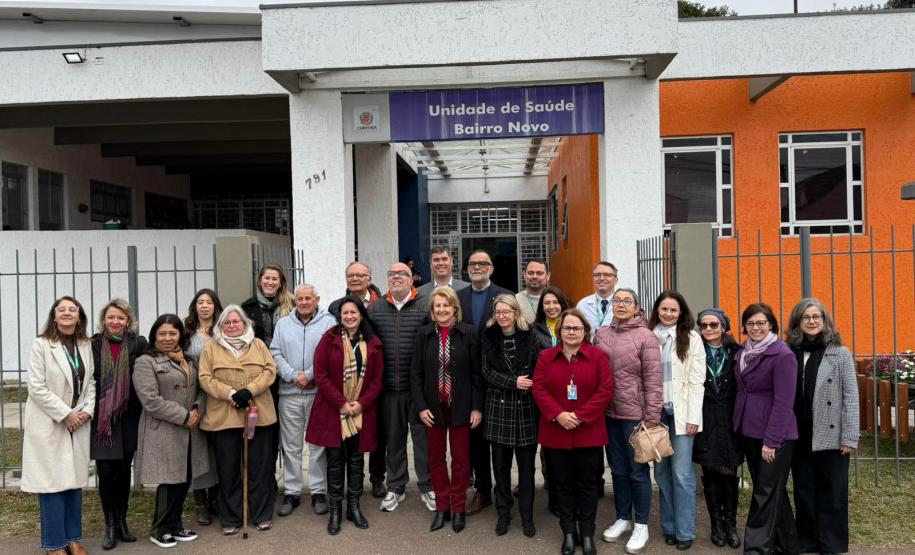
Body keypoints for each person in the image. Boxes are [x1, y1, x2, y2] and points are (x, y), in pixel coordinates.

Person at [533, 308, 613, 555]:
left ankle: (587, 533)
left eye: (576, 328)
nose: (571, 332)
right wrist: (558, 414)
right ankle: (569, 532)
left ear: (585, 331)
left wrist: (579, 416)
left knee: (588, 485)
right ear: (559, 331)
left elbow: (605, 390)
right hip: (556, 431)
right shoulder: (546, 357)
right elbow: (539, 388)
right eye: (566, 328)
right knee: (562, 485)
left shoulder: (598, 357)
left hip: (588, 432)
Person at [21, 296, 95, 555]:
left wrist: (87, 411)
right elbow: (36, 387)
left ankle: (73, 539)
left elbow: (91, 383)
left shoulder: (85, 344)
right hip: (50, 422)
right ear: (54, 316)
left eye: (72, 309)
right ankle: (54, 546)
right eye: (61, 309)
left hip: (78, 422)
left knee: (74, 483)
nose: (66, 313)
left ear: (79, 316)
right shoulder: (42, 344)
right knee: (51, 485)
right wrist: (66, 414)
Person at [786, 298, 859, 555]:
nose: (812, 321)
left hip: (831, 432)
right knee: (804, 488)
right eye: (806, 317)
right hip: (799, 432)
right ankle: (807, 540)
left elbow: (850, 396)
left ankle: (831, 543)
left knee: (832, 489)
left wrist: (849, 436)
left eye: (817, 317)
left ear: (825, 321)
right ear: (798, 322)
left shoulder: (840, 353)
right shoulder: (790, 352)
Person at [306, 295, 383, 535]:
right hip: (334, 411)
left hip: (361, 411)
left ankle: (354, 507)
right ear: (340, 316)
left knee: (357, 460)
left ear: (361, 315)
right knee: (336, 460)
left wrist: (360, 404)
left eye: (353, 312)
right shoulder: (328, 340)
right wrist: (342, 403)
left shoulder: (373, 342)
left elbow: (378, 380)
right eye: (345, 313)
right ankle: (335, 510)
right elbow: (320, 375)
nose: (349, 317)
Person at [198, 305, 278, 534]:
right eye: (227, 323)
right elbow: (204, 377)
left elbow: (269, 371)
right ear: (220, 326)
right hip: (224, 416)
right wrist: (231, 394)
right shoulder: (211, 348)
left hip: (258, 413)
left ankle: (261, 513)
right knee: (228, 468)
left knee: (259, 467)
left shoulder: (259, 345)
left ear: (245, 323)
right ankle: (231, 517)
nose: (232, 326)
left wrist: (249, 391)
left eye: (236, 321)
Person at [594, 287, 662, 554]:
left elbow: (653, 380)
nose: (621, 304)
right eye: (617, 300)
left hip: (635, 416)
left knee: (638, 471)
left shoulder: (646, 336)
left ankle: (642, 524)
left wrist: (652, 416)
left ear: (636, 307)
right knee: (618, 470)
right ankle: (623, 517)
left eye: (627, 301)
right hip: (608, 414)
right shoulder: (601, 334)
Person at [411, 287, 483, 534]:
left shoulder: (469, 333)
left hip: (461, 406)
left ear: (454, 308)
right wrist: (421, 407)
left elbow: (476, 375)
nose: (441, 310)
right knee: (436, 459)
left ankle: (458, 507)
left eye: (446, 305)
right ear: (432, 311)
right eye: (437, 306)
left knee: (462, 460)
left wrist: (476, 407)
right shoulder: (423, 335)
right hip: (433, 408)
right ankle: (442, 507)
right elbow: (416, 374)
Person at [133, 314, 208, 548]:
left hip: (189, 429)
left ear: (180, 335)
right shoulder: (146, 362)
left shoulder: (190, 360)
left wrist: (196, 409)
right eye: (162, 333)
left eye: (172, 333)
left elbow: (200, 390)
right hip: (163, 429)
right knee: (168, 481)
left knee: (184, 478)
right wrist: (184, 416)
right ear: (154, 335)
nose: (167, 338)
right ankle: (160, 528)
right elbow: (150, 400)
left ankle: (175, 525)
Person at [367, 262, 435, 512]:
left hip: (419, 390)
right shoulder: (375, 308)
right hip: (389, 389)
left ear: (411, 279)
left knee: (423, 441)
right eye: (391, 274)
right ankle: (396, 487)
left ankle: (428, 486)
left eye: (401, 274)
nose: (396, 278)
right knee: (394, 441)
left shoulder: (426, 305)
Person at [733, 303, 799, 554]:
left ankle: (757, 549)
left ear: (771, 324)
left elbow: (784, 402)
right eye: (750, 323)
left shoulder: (782, 355)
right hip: (749, 431)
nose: (756, 327)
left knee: (765, 492)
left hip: (775, 436)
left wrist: (772, 441)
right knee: (772, 491)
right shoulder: (743, 352)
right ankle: (789, 544)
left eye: (761, 322)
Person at [271, 284, 336, 517]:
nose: (305, 302)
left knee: (318, 446)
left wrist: (309, 375)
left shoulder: (329, 323)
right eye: (300, 298)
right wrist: (292, 376)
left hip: (318, 394)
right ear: (294, 300)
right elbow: (275, 352)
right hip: (289, 394)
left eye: (309, 298)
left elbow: (331, 353)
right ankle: (292, 492)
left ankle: (319, 491)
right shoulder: (283, 323)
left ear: (317, 299)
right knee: (291, 446)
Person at [647, 291, 706, 550]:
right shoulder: (648, 336)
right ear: (657, 311)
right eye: (664, 309)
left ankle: (685, 530)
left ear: (681, 312)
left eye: (673, 309)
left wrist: (693, 417)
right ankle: (668, 527)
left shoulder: (692, 338)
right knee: (661, 472)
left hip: (682, 415)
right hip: (655, 414)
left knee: (681, 473)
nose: (668, 313)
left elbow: (697, 381)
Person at [456, 249, 513, 515]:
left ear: (491, 268)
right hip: (468, 377)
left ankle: (503, 490)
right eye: (472, 264)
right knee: (475, 439)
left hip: (498, 376)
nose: (477, 267)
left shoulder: (505, 296)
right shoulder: (459, 297)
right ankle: (482, 490)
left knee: (501, 441)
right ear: (467, 269)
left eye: (482, 264)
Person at [90, 299, 148, 550]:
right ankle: (110, 525)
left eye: (120, 318)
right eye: (111, 317)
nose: (115, 322)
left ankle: (123, 522)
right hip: (103, 419)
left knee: (124, 471)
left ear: (128, 321)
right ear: (104, 319)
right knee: (106, 473)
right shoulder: (92, 345)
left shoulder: (139, 344)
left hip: (128, 415)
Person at [482, 294, 542, 538]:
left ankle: (527, 516)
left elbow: (538, 372)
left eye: (507, 312)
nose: (502, 316)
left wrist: (523, 384)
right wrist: (513, 381)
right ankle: (504, 513)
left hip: (526, 410)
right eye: (498, 312)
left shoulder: (531, 337)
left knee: (527, 470)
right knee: (501, 468)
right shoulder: (488, 337)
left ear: (516, 313)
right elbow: (486, 372)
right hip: (498, 409)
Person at [326, 262, 384, 498]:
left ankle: (377, 477)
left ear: (369, 278)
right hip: (347, 382)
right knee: (348, 438)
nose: (356, 279)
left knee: (377, 433)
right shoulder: (336, 307)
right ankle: (349, 486)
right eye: (351, 275)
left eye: (361, 275)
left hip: (374, 376)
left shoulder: (382, 304)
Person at [693, 308, 743, 549]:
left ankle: (730, 524)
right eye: (704, 326)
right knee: (711, 473)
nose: (709, 329)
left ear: (724, 326)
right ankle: (716, 525)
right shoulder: (694, 352)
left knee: (729, 473)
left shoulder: (738, 352)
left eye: (714, 325)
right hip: (705, 419)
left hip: (731, 419)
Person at [241, 264, 295, 474]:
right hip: (261, 378)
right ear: (260, 280)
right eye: (267, 278)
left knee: (287, 431)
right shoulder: (247, 308)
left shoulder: (291, 306)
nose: (271, 282)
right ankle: (266, 476)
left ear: (281, 282)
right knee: (265, 429)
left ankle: (289, 477)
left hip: (286, 375)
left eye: (275, 279)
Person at [183, 288, 223, 526]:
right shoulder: (186, 333)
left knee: (216, 449)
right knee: (197, 451)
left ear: (215, 306)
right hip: (194, 396)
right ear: (195, 306)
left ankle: (217, 498)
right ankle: (201, 503)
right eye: (201, 302)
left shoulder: (222, 331)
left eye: (209, 302)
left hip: (218, 396)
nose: (205, 306)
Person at [575, 261, 619, 339]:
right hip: (590, 349)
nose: (601, 278)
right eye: (597, 275)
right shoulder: (582, 305)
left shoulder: (624, 304)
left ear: (616, 280)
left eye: (607, 275)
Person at [515, 260, 550, 325]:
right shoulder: (515, 300)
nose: (534, 276)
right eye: (530, 273)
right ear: (524, 275)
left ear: (548, 276)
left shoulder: (556, 300)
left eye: (539, 273)